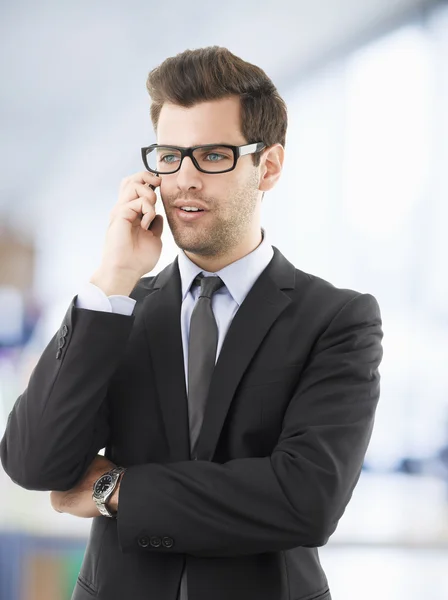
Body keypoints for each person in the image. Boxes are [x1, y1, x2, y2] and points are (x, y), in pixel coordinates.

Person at [0, 46, 383, 600]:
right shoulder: (118, 311)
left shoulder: (337, 319)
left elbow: (305, 500)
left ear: (267, 166)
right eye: (169, 155)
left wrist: (114, 489)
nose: (184, 180)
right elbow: (35, 461)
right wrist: (113, 276)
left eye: (212, 156)